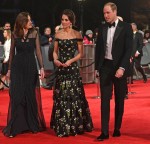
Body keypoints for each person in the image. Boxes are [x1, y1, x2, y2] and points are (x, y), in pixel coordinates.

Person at [50, 9, 93, 137]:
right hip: (61, 69)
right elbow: (55, 51)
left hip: (72, 68)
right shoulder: (58, 34)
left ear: (71, 21)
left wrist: (70, 61)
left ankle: (75, 126)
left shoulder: (77, 34)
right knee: (61, 96)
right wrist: (55, 59)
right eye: (62, 20)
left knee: (74, 96)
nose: (63, 22)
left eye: (66, 20)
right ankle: (62, 125)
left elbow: (81, 53)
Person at [2, 12, 46, 137]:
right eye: (28, 20)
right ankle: (16, 126)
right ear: (22, 22)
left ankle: (31, 124)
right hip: (17, 67)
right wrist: (9, 70)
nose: (31, 22)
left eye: (30, 20)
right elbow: (11, 54)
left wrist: (42, 67)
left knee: (30, 95)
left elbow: (38, 51)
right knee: (17, 96)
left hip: (31, 67)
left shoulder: (35, 33)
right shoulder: (15, 34)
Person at [95, 2, 133, 141]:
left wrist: (122, 68)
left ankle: (117, 128)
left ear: (115, 11)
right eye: (104, 13)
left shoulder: (126, 27)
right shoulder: (102, 27)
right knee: (104, 100)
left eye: (108, 13)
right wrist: (97, 68)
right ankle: (104, 131)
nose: (105, 15)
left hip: (119, 68)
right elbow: (98, 49)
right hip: (105, 67)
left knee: (119, 100)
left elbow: (128, 49)